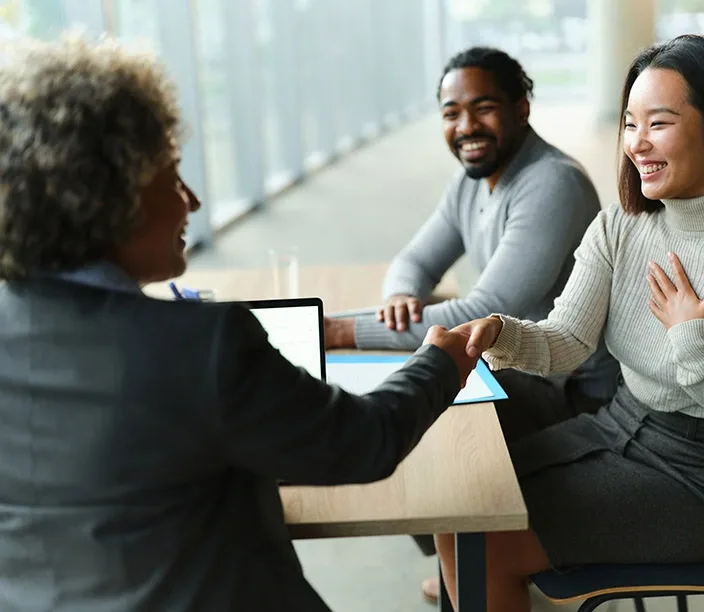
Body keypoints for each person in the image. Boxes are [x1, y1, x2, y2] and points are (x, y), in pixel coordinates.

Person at [0, 35, 479, 612]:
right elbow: (363, 443)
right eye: (173, 176)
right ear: (109, 196)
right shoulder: (199, 348)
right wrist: (442, 362)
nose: (193, 201)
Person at [435, 34, 704, 612]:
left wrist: (694, 346)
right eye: (630, 123)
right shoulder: (620, 229)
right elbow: (566, 342)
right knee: (459, 505)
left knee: (486, 540)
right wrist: (502, 333)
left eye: (658, 123)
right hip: (618, 425)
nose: (637, 144)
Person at [326, 46, 621, 603]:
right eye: (450, 112)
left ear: (522, 108)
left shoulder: (552, 183)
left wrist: (341, 331)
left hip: (573, 387)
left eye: (483, 108)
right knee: (415, 391)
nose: (466, 126)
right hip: (513, 365)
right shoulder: (471, 180)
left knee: (427, 418)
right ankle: (467, 567)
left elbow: (479, 312)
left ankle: (479, 571)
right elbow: (414, 261)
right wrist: (398, 295)